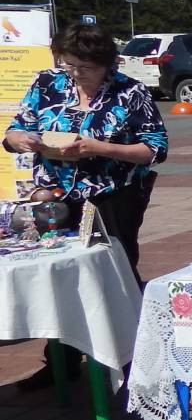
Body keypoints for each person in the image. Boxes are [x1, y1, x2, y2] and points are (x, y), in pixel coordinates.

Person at [4, 22, 168, 284]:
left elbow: (155, 149)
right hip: (54, 197)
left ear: (107, 64)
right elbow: (15, 130)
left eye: (86, 67)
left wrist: (96, 147)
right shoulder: (47, 83)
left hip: (111, 196)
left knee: (113, 270)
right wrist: (21, 140)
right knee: (56, 267)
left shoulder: (130, 92)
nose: (76, 73)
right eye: (69, 65)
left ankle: (124, 321)